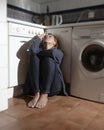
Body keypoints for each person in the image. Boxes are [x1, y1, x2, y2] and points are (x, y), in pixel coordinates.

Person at [23, 33, 68, 109]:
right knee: (33, 57)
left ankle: (44, 94)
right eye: (45, 36)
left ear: (55, 42)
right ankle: (36, 94)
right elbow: (32, 50)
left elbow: (52, 53)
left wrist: (36, 53)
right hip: (37, 87)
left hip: (53, 87)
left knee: (49, 59)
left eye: (50, 36)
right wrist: (39, 38)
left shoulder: (58, 52)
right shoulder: (38, 51)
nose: (47, 36)